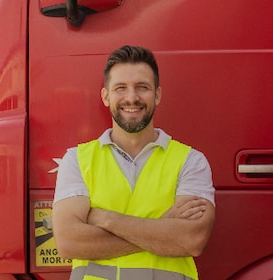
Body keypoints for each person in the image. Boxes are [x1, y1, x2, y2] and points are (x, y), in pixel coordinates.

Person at [51, 45, 216, 280]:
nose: (132, 98)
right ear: (106, 96)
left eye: (142, 87)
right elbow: (69, 242)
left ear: (157, 95)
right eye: (121, 88)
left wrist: (106, 219)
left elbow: (192, 240)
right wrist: (162, 230)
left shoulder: (191, 161)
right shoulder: (77, 160)